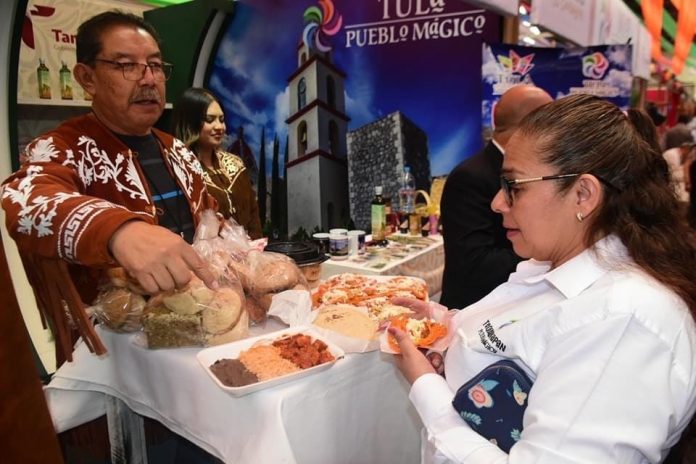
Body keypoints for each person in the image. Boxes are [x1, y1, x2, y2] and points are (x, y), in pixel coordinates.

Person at [391, 94, 696, 463]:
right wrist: (446, 329)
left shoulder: (622, 321)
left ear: (583, 194)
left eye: (514, 186)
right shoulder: (556, 267)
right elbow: (521, 338)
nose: (497, 203)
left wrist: (427, 388)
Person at [1, 11, 218, 359]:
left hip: (188, 340)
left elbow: (210, 222)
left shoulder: (177, 150)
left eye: (155, 65)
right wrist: (118, 231)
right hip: (109, 355)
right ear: (87, 78)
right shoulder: (62, 147)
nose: (148, 79)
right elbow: (26, 202)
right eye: (126, 66)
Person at [439, 85, 552, 309]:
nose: (499, 203)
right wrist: (550, 253)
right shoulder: (471, 176)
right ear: (531, 125)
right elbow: (474, 263)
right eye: (551, 124)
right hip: (475, 309)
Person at [172, 87, 262, 238]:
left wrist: (256, 248)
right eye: (210, 120)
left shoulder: (235, 163)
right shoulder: (180, 169)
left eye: (221, 119)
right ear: (190, 123)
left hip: (250, 249)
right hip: (205, 251)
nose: (220, 127)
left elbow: (254, 216)